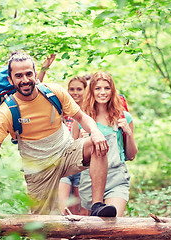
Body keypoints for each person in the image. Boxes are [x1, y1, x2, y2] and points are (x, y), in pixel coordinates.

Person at [0, 51, 117, 217]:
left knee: (98, 143)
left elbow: (81, 117)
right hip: (38, 170)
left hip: (66, 153)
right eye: (18, 76)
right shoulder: (7, 112)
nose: (25, 80)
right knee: (45, 227)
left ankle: (97, 206)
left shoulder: (53, 93)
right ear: (10, 80)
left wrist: (95, 132)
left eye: (28, 74)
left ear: (35, 73)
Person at [72, 71, 138, 217]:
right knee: (94, 230)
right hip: (89, 181)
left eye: (107, 88)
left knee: (112, 222)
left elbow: (131, 155)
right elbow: (75, 160)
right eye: (98, 88)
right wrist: (81, 142)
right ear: (91, 91)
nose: (103, 92)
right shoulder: (82, 119)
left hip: (117, 178)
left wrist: (128, 132)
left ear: (112, 90)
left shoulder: (123, 117)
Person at [59, 76, 88, 215]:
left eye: (79, 89)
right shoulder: (62, 110)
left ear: (86, 91)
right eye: (72, 89)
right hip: (63, 164)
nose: (75, 92)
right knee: (63, 208)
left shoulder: (88, 114)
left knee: (80, 211)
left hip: (82, 166)